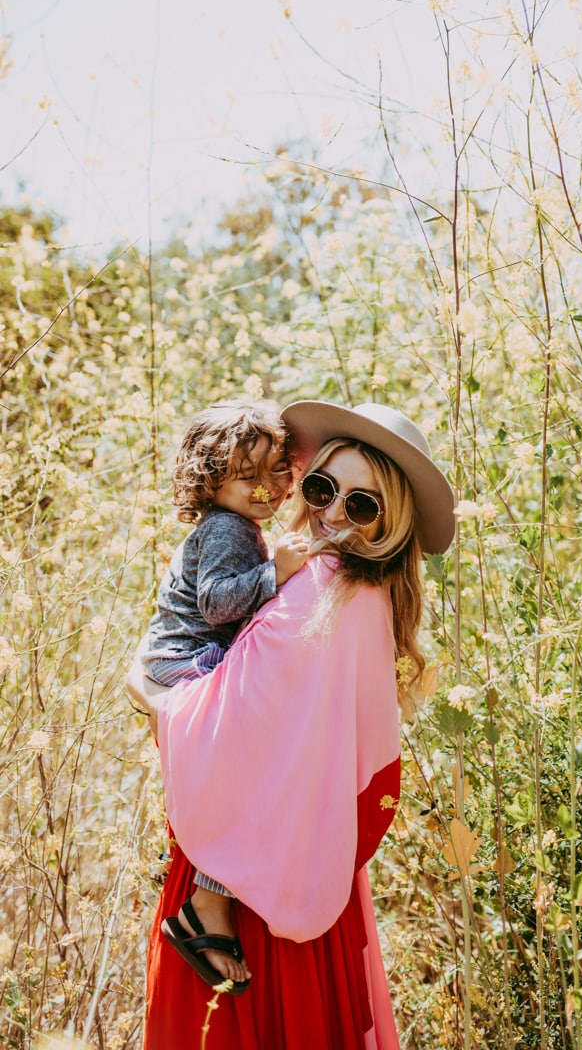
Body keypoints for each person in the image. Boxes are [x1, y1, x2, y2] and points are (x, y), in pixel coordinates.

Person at [133, 401, 455, 1050]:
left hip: (248, 876)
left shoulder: (322, 587)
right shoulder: (355, 589)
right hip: (301, 853)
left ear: (388, 523)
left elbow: (231, 716)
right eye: (322, 489)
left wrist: (154, 696)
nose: (334, 514)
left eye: (361, 506)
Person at [141, 400, 309, 990]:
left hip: (187, 661)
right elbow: (215, 603)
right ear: (212, 482)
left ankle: (213, 896)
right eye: (247, 477)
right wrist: (277, 573)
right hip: (184, 665)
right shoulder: (227, 527)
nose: (266, 488)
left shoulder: (241, 524)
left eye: (277, 472)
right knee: (256, 760)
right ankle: (207, 902)